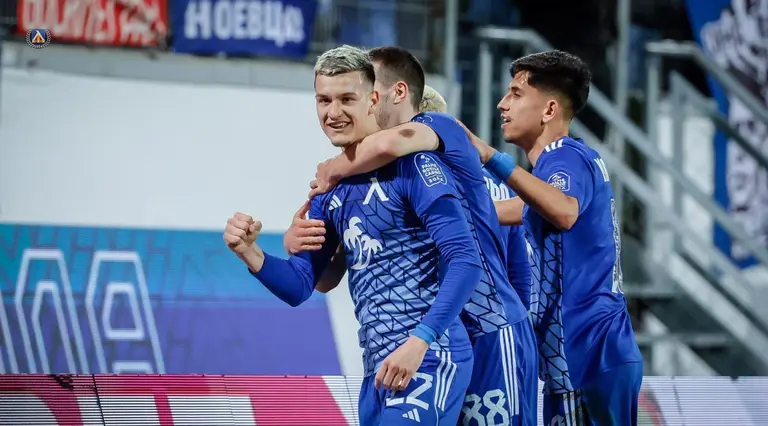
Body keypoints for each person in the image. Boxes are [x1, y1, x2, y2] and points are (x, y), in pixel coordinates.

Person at [224, 45, 479, 426]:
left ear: (373, 99)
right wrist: (250, 251)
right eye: (323, 100)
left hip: (429, 357)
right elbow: (301, 285)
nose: (333, 113)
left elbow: (465, 261)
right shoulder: (330, 188)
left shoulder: (414, 162)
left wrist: (419, 342)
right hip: (377, 370)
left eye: (346, 99)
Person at [297, 46, 538, 425]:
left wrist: (335, 166)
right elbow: (340, 267)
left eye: (370, 91)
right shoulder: (387, 179)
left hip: (489, 328)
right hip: (441, 337)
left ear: (399, 96)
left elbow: (517, 269)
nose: (365, 103)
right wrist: (299, 240)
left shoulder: (440, 138)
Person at [469, 50, 643, 426]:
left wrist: (489, 156)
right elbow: (520, 208)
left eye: (516, 93)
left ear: (549, 110)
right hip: (593, 353)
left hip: (584, 352)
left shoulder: (563, 156)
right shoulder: (563, 165)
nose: (502, 103)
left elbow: (563, 211)